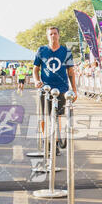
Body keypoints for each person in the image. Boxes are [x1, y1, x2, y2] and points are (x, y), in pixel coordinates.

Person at [33, 27, 77, 156]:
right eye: (50, 34)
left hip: (62, 88)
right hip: (45, 88)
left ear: (59, 35)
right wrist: (36, 81)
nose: (53, 36)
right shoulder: (41, 50)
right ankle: (47, 140)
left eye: (55, 33)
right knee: (45, 116)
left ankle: (56, 141)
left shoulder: (66, 51)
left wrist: (74, 89)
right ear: (47, 36)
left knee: (57, 117)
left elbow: (71, 72)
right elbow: (35, 69)